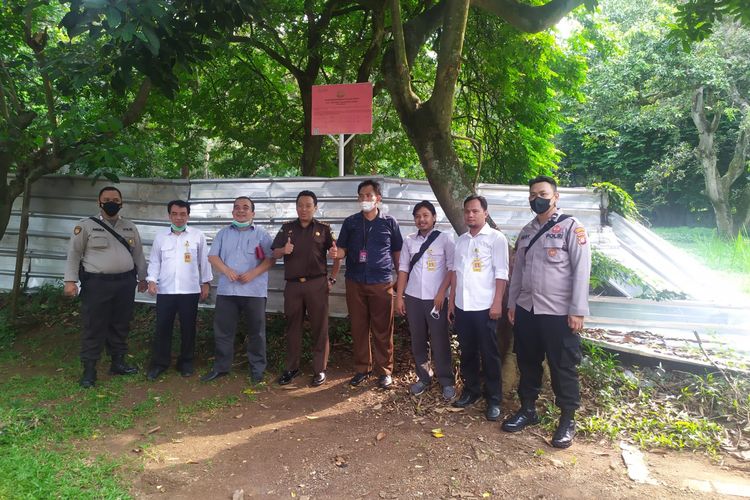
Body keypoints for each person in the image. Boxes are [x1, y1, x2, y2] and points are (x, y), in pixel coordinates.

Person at [502, 175, 591, 449]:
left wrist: (577, 311)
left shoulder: (572, 228)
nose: (536, 198)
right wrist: (512, 305)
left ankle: (567, 419)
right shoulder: (527, 231)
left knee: (562, 365)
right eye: (532, 195)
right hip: (527, 310)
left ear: (555, 196)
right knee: (527, 361)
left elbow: (581, 271)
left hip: (558, 312)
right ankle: (528, 410)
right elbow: (517, 273)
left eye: (541, 193)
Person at [63, 186, 148, 388]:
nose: (112, 202)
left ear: (121, 203)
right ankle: (89, 370)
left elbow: (138, 255)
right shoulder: (86, 226)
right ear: (99, 202)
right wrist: (70, 281)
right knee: (95, 325)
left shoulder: (129, 227)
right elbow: (74, 254)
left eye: (115, 199)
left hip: (125, 283)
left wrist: (143, 278)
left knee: (121, 324)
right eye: (107, 199)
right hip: (97, 284)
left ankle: (117, 363)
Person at [332, 179, 403, 389]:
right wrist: (337, 253)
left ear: (378, 198)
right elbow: (342, 250)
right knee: (359, 327)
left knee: (383, 329)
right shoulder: (351, 222)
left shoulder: (390, 223)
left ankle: (385, 371)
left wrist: (401, 278)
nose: (365, 199)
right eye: (361, 196)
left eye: (369, 196)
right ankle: (362, 369)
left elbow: (397, 253)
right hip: (355, 281)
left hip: (382, 282)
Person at [200, 196, 274, 383]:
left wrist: (254, 273)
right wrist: (226, 270)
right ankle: (221, 367)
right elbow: (213, 256)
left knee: (256, 332)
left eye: (245, 207)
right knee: (223, 331)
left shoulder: (262, 234)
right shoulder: (223, 234)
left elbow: (271, 258)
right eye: (237, 208)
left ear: (253, 213)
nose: (241, 211)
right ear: (232, 212)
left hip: (254, 291)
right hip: (228, 291)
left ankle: (257, 369)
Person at [448, 194, 509, 421]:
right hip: (463, 306)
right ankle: (471, 391)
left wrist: (497, 303)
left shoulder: (496, 239)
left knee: (490, 354)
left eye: (475, 211)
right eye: (467, 211)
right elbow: (456, 273)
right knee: (467, 353)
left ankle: (494, 399)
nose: (470, 215)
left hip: (485, 307)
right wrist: (452, 301)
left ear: (485, 213)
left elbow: (502, 273)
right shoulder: (461, 240)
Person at [271, 190, 340, 387]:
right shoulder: (287, 229)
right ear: (296, 207)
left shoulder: (324, 229)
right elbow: (274, 253)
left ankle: (319, 370)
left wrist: (332, 279)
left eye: (308, 205)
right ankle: (292, 368)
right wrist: (283, 250)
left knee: (320, 327)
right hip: (293, 286)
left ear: (315, 208)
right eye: (300, 205)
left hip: (317, 284)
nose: (304, 209)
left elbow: (336, 255)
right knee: (293, 327)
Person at [145, 200, 213, 381]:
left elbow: (204, 262)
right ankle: (160, 363)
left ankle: (186, 362)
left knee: (188, 328)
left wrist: (205, 283)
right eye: (175, 214)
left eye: (183, 214)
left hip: (189, 291)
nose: (179, 217)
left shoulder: (197, 236)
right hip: (165, 290)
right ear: (169, 216)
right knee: (162, 328)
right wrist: (151, 280)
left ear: (188, 215)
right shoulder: (161, 237)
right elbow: (155, 261)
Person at [395, 200, 456, 401]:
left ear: (434, 218)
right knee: (418, 340)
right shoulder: (409, 240)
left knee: (439, 341)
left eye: (425, 215)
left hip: (436, 299)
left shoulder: (445, 239)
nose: (421, 219)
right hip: (413, 298)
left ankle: (446, 381)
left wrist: (441, 293)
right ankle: (424, 378)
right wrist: (400, 296)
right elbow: (403, 269)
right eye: (418, 216)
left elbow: (451, 268)